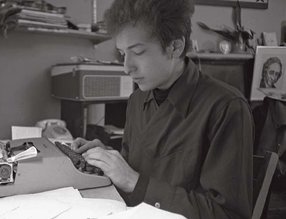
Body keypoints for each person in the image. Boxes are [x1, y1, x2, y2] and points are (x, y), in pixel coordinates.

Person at [71, 0, 254, 218]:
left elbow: (226, 214)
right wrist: (106, 158)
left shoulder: (226, 107)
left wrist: (133, 181)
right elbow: (136, 166)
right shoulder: (137, 100)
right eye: (122, 54)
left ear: (175, 47)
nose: (127, 67)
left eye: (138, 52)